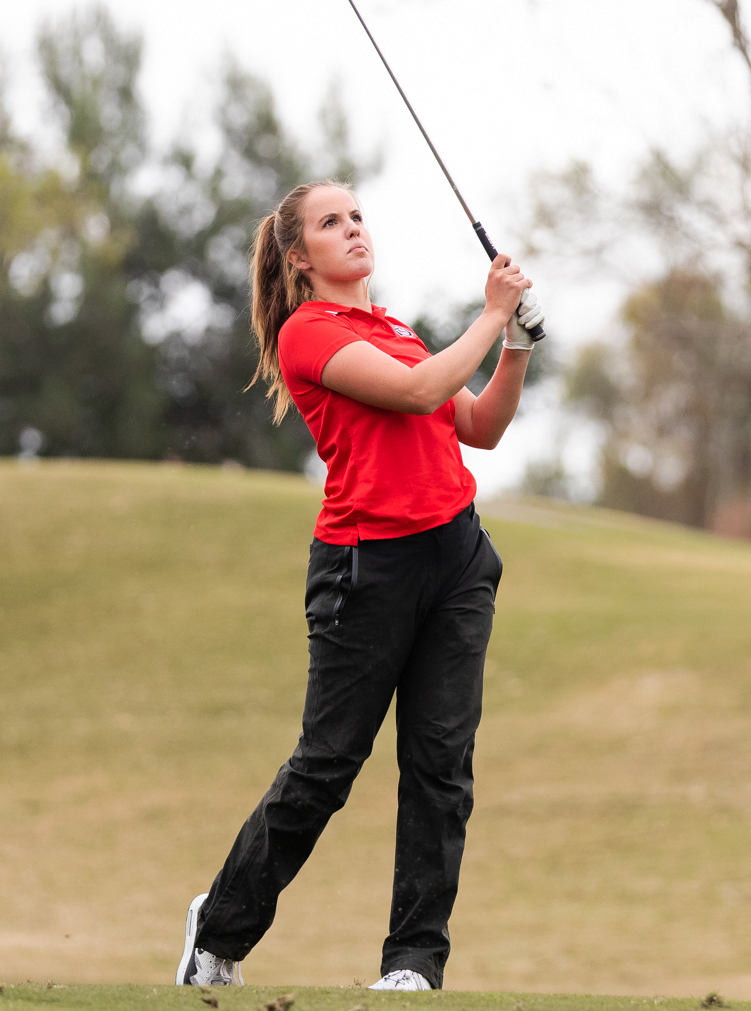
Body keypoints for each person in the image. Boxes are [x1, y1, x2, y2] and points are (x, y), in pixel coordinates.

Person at [176, 180, 545, 992]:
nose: (352, 230)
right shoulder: (307, 335)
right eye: (330, 223)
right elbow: (420, 391)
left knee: (440, 765)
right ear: (300, 258)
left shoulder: (396, 329)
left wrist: (515, 344)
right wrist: (491, 313)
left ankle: (413, 963)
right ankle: (221, 928)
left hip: (455, 560)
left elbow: (477, 425)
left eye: (357, 216)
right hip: (364, 570)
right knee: (328, 764)